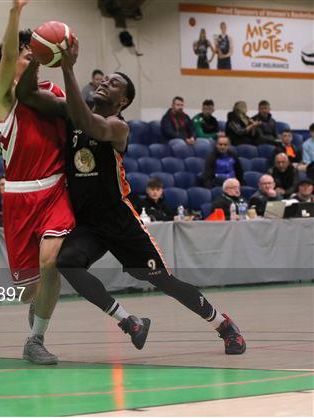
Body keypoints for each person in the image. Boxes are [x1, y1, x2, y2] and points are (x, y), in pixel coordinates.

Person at [16, 35, 246, 356]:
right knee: (67, 263)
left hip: (121, 222)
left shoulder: (117, 126)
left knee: (162, 281)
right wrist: (40, 57)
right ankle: (129, 322)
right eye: (104, 79)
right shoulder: (72, 113)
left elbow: (89, 123)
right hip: (89, 223)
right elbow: (24, 95)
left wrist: (67, 68)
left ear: (122, 101)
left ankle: (223, 324)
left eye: (113, 84)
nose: (104, 83)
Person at [0, 0, 75, 365]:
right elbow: (10, 57)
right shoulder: (5, 98)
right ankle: (38, 309)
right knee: (32, 289)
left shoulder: (54, 93)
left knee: (50, 263)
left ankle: (36, 339)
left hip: (55, 188)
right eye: (24, 55)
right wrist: (14, 14)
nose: (28, 59)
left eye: (33, 54)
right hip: (19, 197)